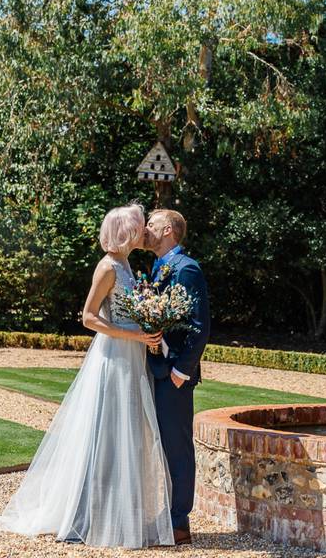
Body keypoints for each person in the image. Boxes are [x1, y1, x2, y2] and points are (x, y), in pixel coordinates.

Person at [0, 203, 174, 548]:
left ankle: (120, 513)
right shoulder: (107, 267)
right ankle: (85, 515)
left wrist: (146, 328)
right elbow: (88, 317)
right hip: (114, 357)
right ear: (125, 231)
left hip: (131, 356)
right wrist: (134, 335)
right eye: (137, 225)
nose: (142, 230)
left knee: (127, 433)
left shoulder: (127, 264)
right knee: (104, 431)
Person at [144, 208, 211, 546]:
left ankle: (178, 522)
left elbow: (200, 327)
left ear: (167, 230)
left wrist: (181, 373)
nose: (145, 229)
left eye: (151, 225)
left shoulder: (187, 268)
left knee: (177, 448)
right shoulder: (158, 267)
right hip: (154, 368)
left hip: (172, 375)